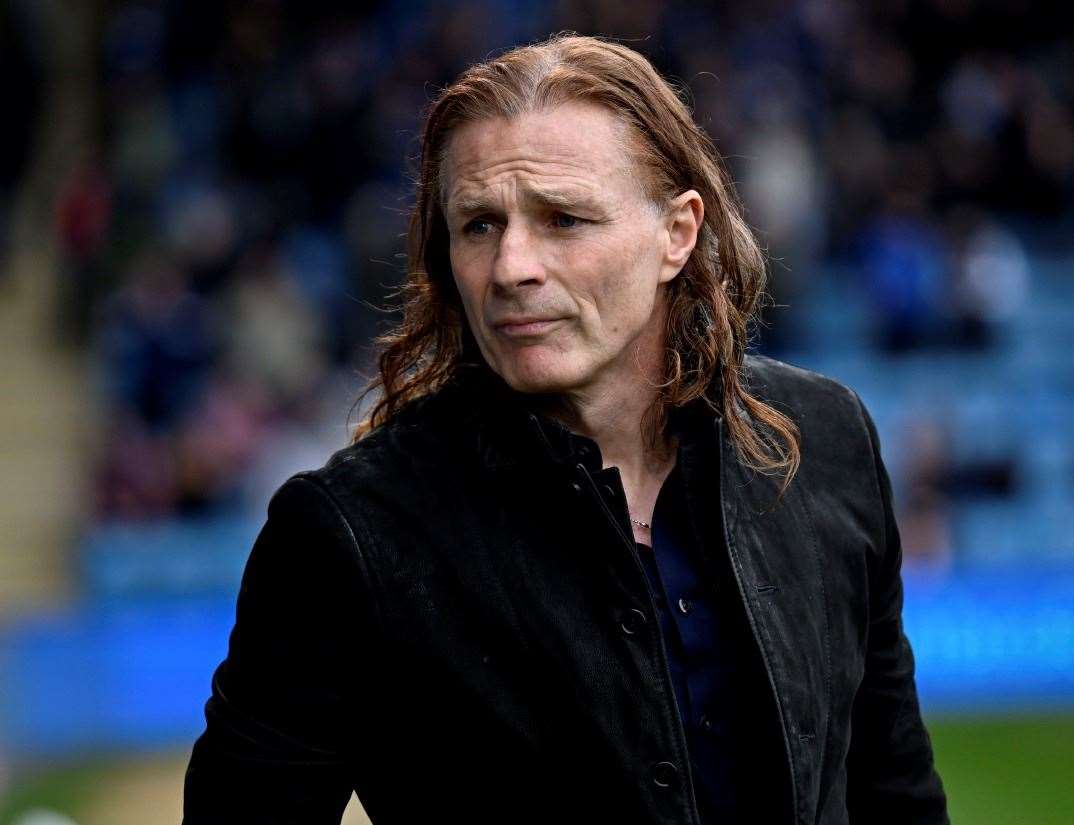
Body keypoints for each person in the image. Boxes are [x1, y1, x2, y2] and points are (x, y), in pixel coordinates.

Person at [182, 34, 948, 825]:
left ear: (677, 233)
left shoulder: (821, 441)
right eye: (479, 225)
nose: (512, 266)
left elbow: (895, 793)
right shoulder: (348, 532)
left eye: (563, 219)